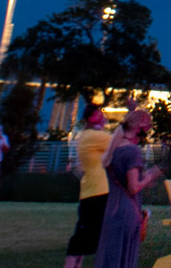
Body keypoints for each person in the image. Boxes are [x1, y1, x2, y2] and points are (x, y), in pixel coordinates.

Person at [93, 107, 161, 268]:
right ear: (140, 129)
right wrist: (150, 176)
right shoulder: (132, 151)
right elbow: (133, 188)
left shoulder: (112, 150)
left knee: (110, 257)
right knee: (124, 258)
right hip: (126, 211)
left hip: (111, 209)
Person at [63, 103, 112, 268]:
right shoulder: (92, 136)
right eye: (100, 114)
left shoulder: (90, 136)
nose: (103, 117)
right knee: (84, 234)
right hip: (96, 191)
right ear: (92, 118)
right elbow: (119, 142)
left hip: (96, 190)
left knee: (89, 233)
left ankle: (76, 264)